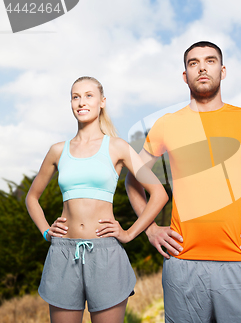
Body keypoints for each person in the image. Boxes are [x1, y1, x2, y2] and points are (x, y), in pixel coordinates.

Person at [125, 41, 241, 323]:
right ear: (185, 75)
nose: (202, 67)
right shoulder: (166, 124)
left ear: (222, 71)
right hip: (183, 266)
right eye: (193, 63)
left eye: (210, 61)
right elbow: (133, 179)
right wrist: (150, 229)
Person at [26, 76, 168, 323]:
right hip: (62, 254)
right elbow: (32, 198)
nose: (81, 102)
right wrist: (46, 232)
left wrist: (129, 233)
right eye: (75, 96)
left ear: (102, 102)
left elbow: (159, 194)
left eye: (89, 96)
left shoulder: (117, 147)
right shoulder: (58, 150)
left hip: (105, 254)